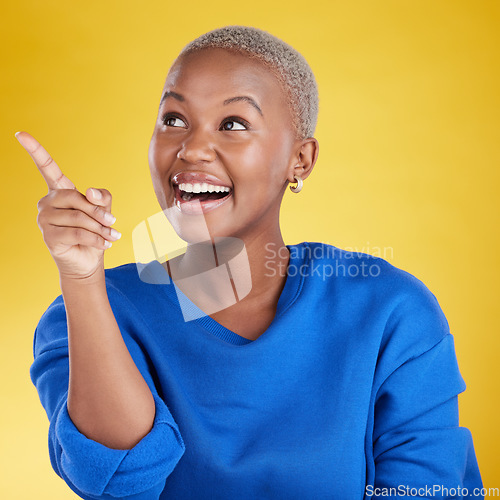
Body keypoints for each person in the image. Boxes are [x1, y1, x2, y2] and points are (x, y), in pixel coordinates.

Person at [20, 25, 483, 499]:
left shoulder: (390, 312)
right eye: (173, 119)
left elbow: (428, 489)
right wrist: (80, 276)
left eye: (233, 124)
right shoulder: (87, 315)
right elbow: (123, 479)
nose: (191, 149)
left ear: (300, 160)